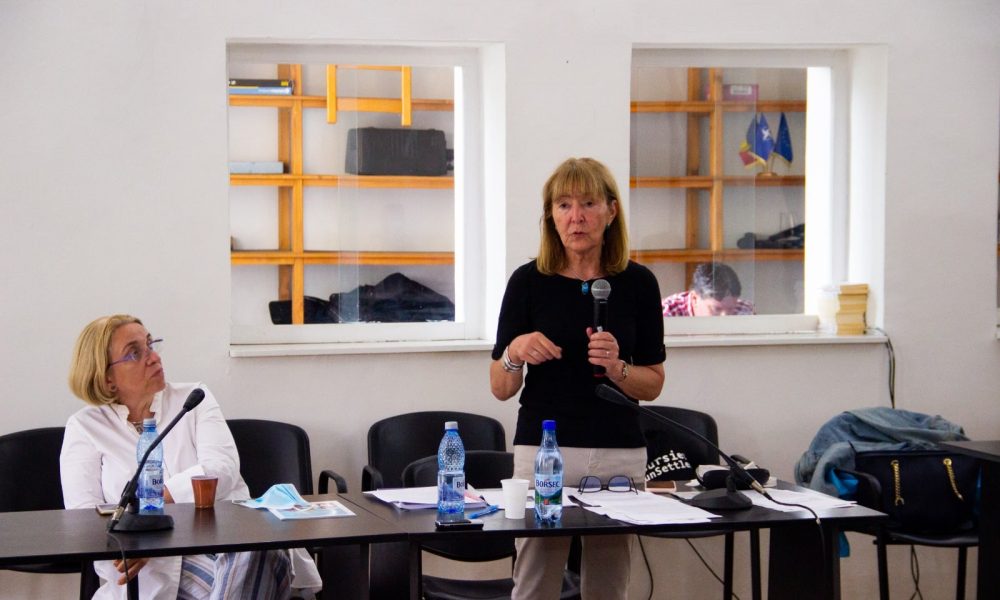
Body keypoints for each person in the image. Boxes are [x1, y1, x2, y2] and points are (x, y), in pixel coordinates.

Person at [490, 157, 666, 599]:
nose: (576, 217)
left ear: (611, 211)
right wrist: (514, 352)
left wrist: (618, 368)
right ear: (551, 215)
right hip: (545, 450)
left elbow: (653, 383)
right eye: (564, 205)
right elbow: (500, 387)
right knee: (534, 583)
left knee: (609, 587)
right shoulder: (528, 281)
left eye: (588, 204)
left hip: (618, 451)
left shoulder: (639, 283)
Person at [61, 314, 321, 600]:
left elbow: (221, 469)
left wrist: (151, 513)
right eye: (134, 353)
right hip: (148, 571)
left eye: (150, 344)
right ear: (107, 379)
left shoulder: (194, 398)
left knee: (260, 548)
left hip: (223, 545)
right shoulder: (85, 428)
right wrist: (140, 540)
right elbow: (84, 522)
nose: (153, 357)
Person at [661, 262, 755, 316]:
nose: (725, 318)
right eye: (716, 309)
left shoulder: (745, 311)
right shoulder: (667, 314)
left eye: (731, 309)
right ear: (695, 298)